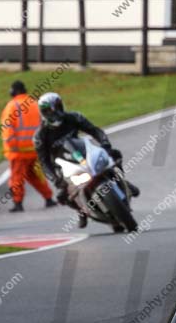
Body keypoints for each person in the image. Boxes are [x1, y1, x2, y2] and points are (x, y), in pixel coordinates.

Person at [34, 92, 139, 228]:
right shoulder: (40, 136)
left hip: (82, 152)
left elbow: (95, 131)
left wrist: (105, 145)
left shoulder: (74, 117)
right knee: (63, 195)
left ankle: (124, 181)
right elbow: (43, 162)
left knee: (114, 155)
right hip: (63, 164)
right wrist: (55, 179)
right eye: (48, 110)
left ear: (61, 106)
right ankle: (81, 211)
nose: (54, 113)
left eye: (57, 107)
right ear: (43, 112)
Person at [1, 81, 55, 213]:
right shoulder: (34, 103)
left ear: (13, 91)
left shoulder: (12, 106)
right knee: (35, 175)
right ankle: (49, 198)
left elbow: (7, 128)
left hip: (19, 151)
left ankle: (18, 203)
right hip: (35, 149)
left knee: (17, 178)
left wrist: (11, 146)